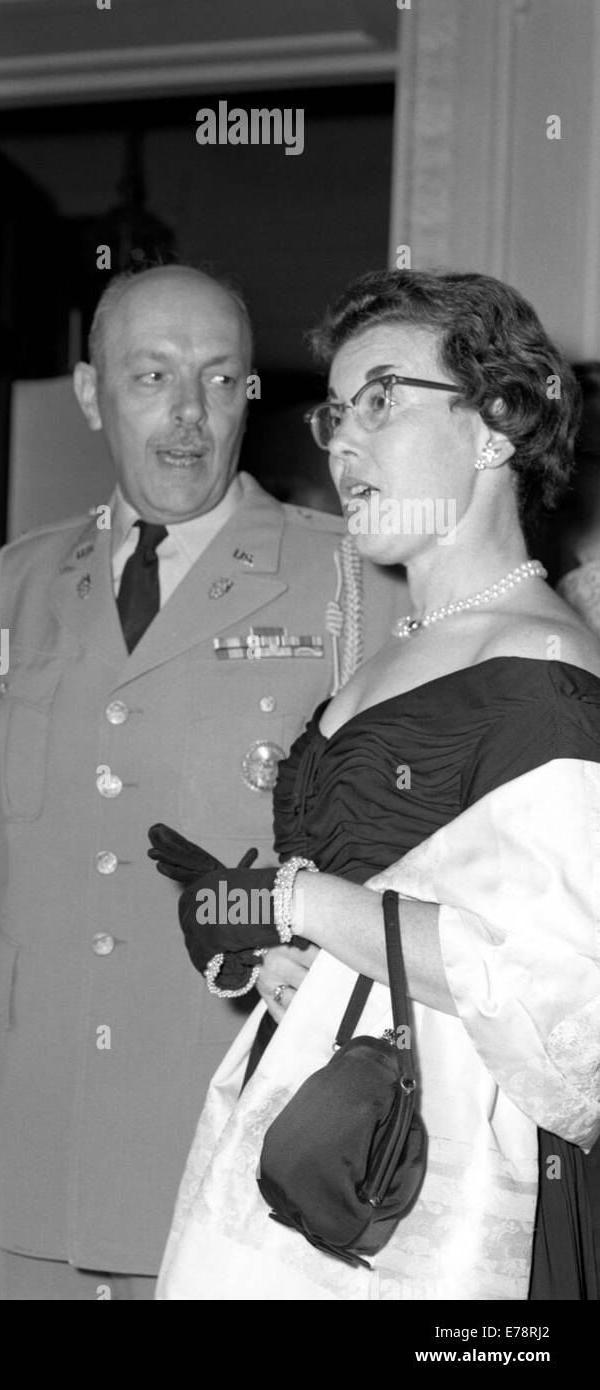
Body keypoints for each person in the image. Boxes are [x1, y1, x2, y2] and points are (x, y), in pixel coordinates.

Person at [0, 263, 406, 1299]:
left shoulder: (349, 576)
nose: (188, 413)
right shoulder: (18, 578)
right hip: (35, 1132)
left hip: (234, 1120)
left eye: (218, 377)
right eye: (150, 376)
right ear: (88, 393)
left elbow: (396, 860)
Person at [155, 268, 600, 1300]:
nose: (343, 441)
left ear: (496, 424)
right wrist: (271, 950)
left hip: (453, 1188)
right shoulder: (388, 654)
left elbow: (561, 990)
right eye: (334, 413)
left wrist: (296, 900)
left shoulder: (545, 673)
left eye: (383, 401)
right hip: (322, 1140)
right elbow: (370, 899)